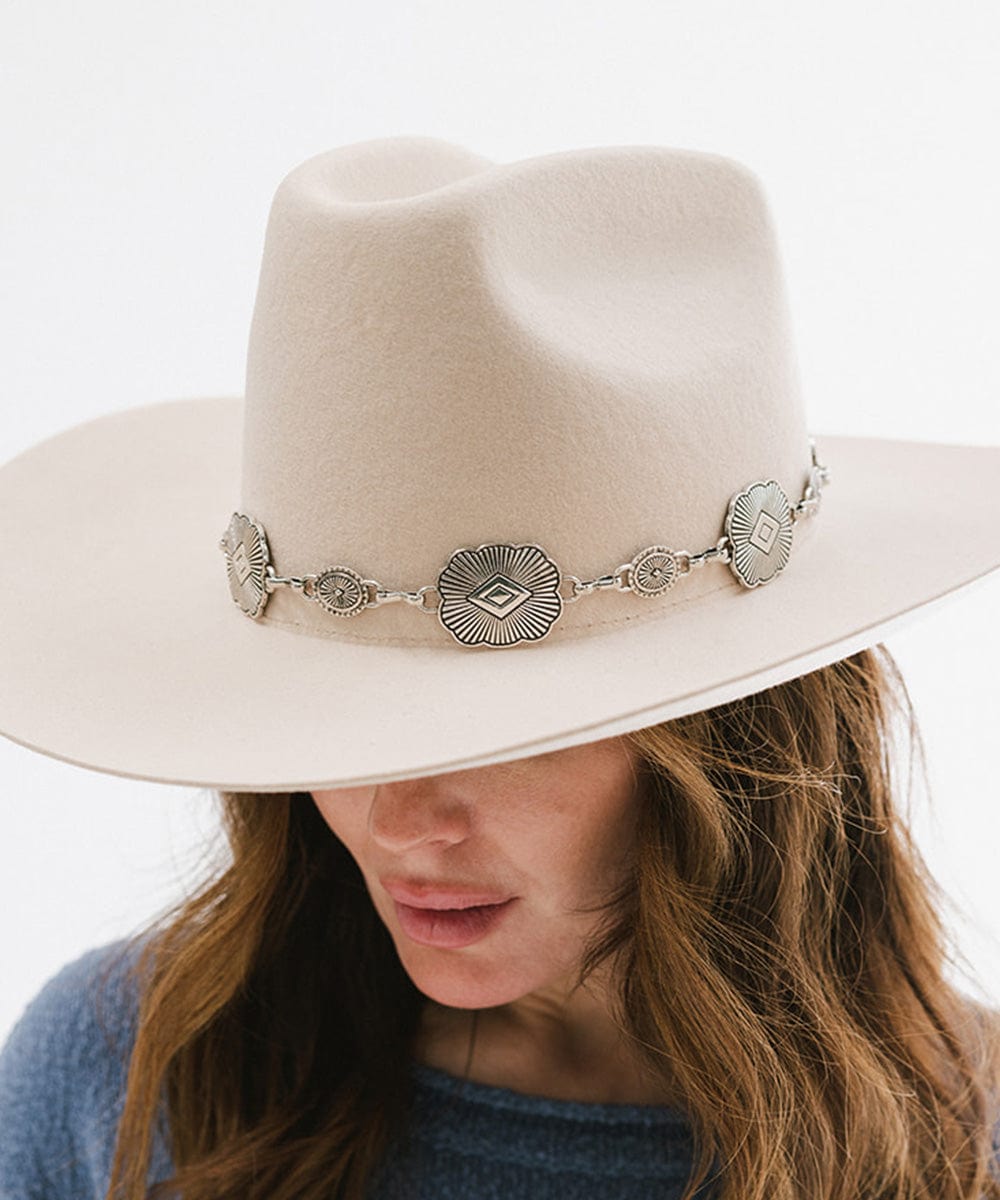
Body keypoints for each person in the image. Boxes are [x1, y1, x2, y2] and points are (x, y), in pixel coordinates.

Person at [0, 135, 998, 1200]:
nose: (398, 822)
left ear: (734, 736)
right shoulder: (124, 1070)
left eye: (505, 735)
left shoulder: (963, 1148)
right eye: (337, 723)